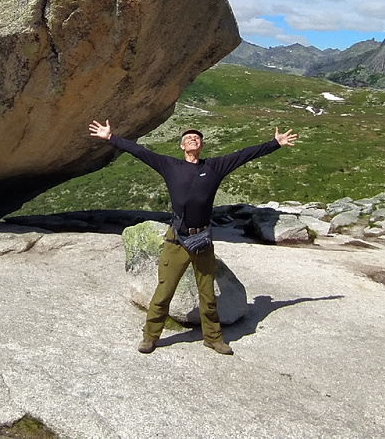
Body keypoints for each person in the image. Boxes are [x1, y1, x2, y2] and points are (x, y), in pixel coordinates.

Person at [87, 119, 297, 355]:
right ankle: (150, 336)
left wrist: (275, 143)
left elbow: (244, 155)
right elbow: (140, 152)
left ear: (201, 145)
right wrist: (110, 137)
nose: (192, 139)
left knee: (207, 294)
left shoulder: (215, 167)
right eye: (188, 138)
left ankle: (213, 338)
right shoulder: (170, 166)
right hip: (177, 240)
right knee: (164, 291)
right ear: (182, 146)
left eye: (196, 137)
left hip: (203, 241)